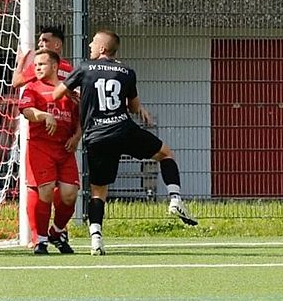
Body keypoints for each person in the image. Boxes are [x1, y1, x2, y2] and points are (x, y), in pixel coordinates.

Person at [54, 30, 198, 257]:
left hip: (97, 135)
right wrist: (141, 110)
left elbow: (56, 94)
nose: (90, 43)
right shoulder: (127, 71)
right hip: (123, 129)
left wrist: (71, 92)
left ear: (102, 48)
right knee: (166, 154)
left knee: (98, 191)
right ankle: (175, 198)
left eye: (94, 41)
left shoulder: (84, 67)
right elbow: (133, 107)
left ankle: (96, 239)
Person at [11, 25, 74, 245]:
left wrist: (21, 63)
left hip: (62, 137)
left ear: (57, 45)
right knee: (45, 187)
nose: (40, 45)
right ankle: (43, 235)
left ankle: (41, 234)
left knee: (46, 188)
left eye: (44, 41)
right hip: (43, 136)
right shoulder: (71, 69)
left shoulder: (43, 67)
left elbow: (16, 82)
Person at [18, 49, 81, 255]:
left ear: (55, 66)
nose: (37, 68)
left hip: (64, 148)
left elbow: (80, 118)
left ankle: (57, 231)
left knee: (69, 194)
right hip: (40, 146)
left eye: (42, 64)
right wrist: (45, 115)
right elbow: (27, 111)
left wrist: (77, 136)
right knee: (44, 191)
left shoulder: (68, 92)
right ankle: (41, 240)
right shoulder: (32, 88)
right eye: (36, 64)